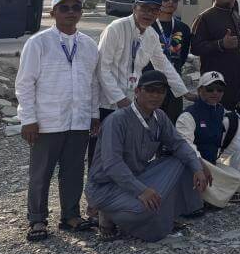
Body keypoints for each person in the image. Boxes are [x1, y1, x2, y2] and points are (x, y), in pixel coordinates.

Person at [86, 70, 210, 242]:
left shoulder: (159, 117)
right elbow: (113, 165)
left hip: (138, 177)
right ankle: (106, 213)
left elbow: (179, 144)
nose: (155, 96)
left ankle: (161, 216)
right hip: (106, 187)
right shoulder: (117, 120)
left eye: (160, 91)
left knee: (186, 161)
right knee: (144, 210)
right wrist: (141, 191)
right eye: (150, 90)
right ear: (137, 91)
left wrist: (198, 166)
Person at [16, 0, 101, 241]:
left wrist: (94, 114)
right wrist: (28, 118)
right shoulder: (38, 43)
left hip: (79, 119)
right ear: (53, 13)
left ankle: (70, 216)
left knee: (74, 171)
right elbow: (24, 83)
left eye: (76, 7)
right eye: (64, 7)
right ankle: (37, 219)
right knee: (41, 173)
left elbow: (93, 83)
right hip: (47, 121)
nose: (71, 11)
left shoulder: (88, 44)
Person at [94, 0, 190, 164]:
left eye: (154, 10)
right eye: (144, 8)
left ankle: (124, 190)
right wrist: (119, 99)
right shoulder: (116, 28)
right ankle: (97, 190)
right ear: (134, 8)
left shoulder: (151, 34)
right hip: (107, 103)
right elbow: (102, 69)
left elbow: (163, 65)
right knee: (103, 154)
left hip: (132, 102)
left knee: (126, 153)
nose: (149, 13)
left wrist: (183, 91)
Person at [174, 71, 240, 209]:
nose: (215, 93)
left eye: (220, 90)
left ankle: (206, 194)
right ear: (200, 90)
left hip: (212, 163)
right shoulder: (188, 115)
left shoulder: (221, 112)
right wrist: (200, 164)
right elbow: (185, 144)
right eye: (210, 89)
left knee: (239, 180)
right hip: (192, 165)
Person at [191, 0, 240, 109]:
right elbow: (195, 48)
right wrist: (220, 44)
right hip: (214, 86)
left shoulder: (237, 17)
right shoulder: (204, 17)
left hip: (238, 83)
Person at [152, 0, 192, 122]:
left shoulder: (184, 28)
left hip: (175, 86)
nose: (170, 2)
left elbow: (183, 56)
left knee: (171, 123)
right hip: (151, 83)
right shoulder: (148, 25)